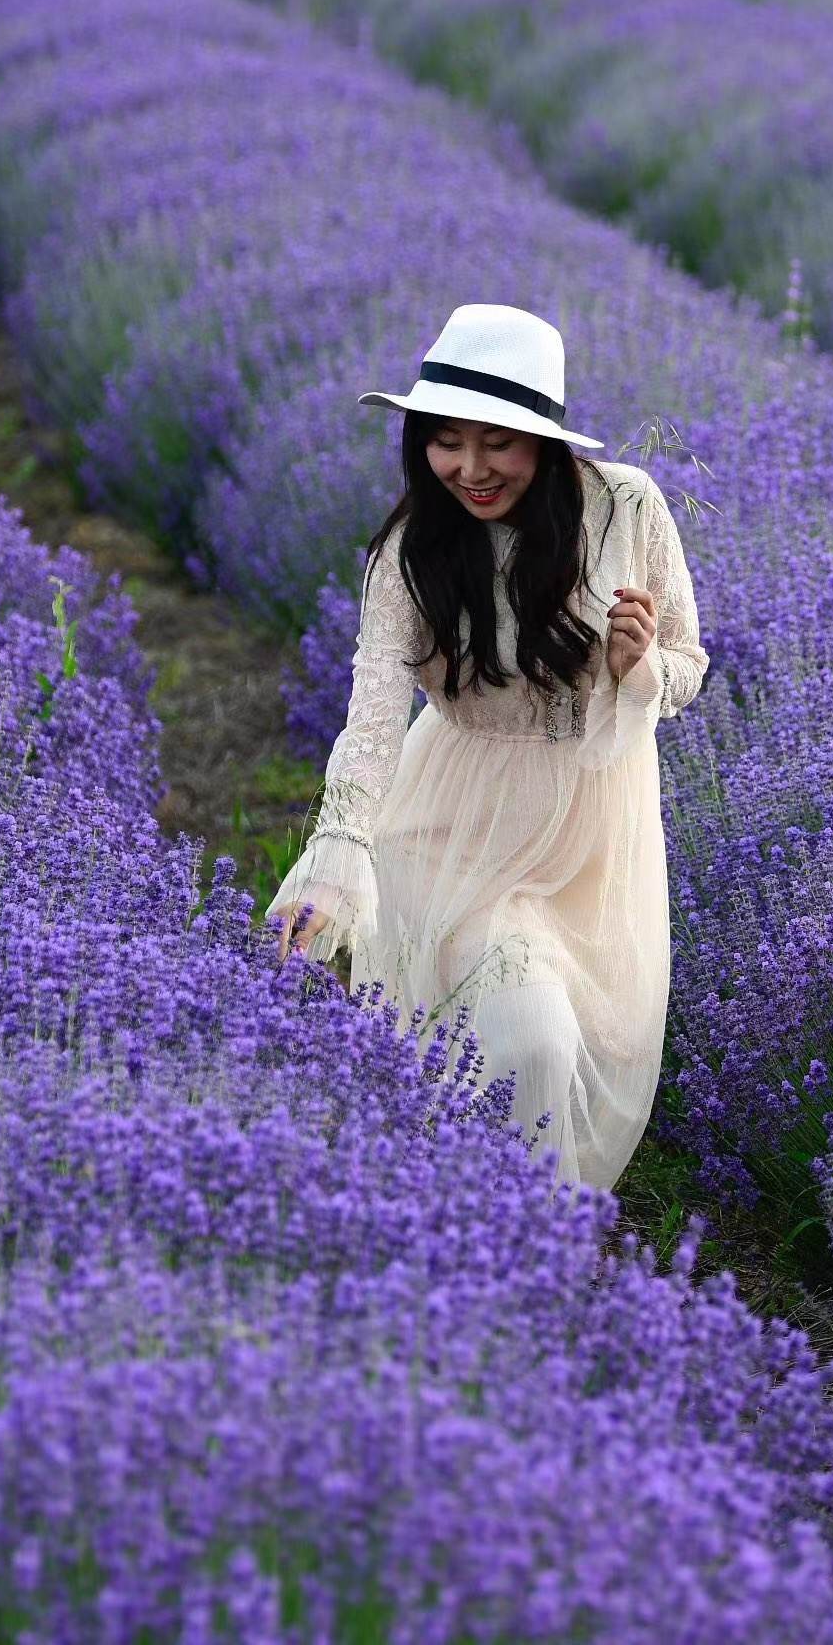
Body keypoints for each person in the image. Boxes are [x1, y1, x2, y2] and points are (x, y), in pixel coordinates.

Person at [265, 303, 708, 1189]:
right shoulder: (411, 551)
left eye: (497, 442)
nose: (469, 469)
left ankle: (490, 1252)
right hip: (456, 824)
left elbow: (689, 660)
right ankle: (512, 1246)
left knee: (551, 1048)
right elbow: (375, 711)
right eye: (444, 441)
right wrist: (339, 844)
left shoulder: (625, 509)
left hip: (591, 841)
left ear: (543, 441)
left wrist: (641, 666)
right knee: (528, 1040)